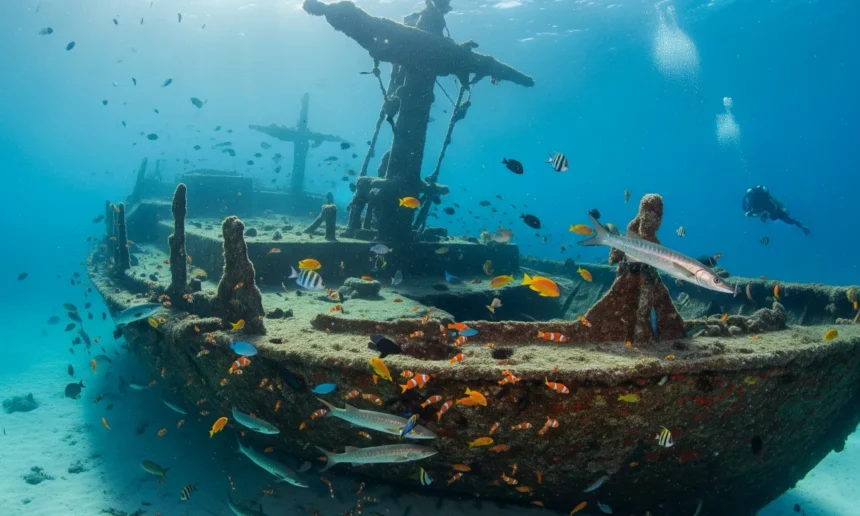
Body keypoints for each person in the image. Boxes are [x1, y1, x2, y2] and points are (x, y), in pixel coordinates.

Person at [742, 186, 810, 235]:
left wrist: (783, 207)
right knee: (789, 221)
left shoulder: (758, 199)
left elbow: (773, 200)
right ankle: (801, 226)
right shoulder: (756, 201)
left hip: (775, 211)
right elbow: (774, 199)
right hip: (774, 211)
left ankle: (801, 226)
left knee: (788, 221)